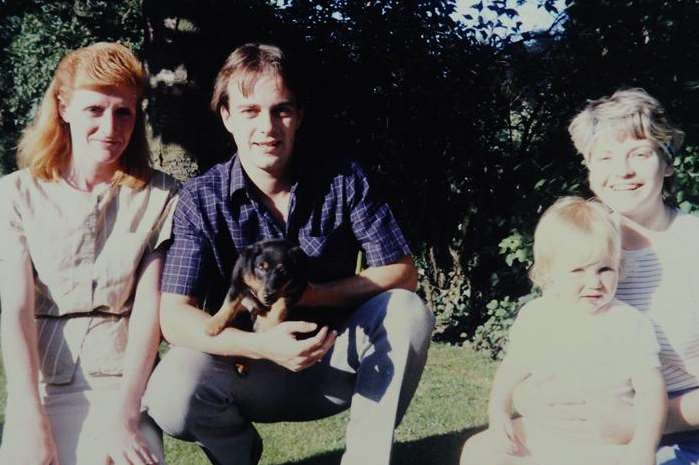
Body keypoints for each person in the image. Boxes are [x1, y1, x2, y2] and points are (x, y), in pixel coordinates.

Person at [143, 43, 435, 465]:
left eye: (281, 110)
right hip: (244, 367)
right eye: (250, 111)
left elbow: (402, 273)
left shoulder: (342, 178)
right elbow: (173, 316)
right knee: (169, 392)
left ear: (298, 116)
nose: (268, 127)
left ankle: (367, 459)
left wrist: (309, 296)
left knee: (407, 310)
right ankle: (238, 452)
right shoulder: (200, 199)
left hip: (331, 357)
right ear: (226, 117)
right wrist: (261, 345)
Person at [0, 42, 179, 465]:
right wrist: (28, 417)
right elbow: (16, 310)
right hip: (44, 385)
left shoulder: (161, 196)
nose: (110, 127)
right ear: (63, 108)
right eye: (94, 110)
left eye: (124, 112)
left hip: (123, 382)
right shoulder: (15, 194)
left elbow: (148, 315)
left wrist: (126, 415)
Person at [514, 88, 699, 464]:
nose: (623, 171)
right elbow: (536, 349)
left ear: (667, 163)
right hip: (589, 427)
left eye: (640, 154)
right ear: (590, 168)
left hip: (683, 433)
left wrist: (642, 423)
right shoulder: (581, 241)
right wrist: (527, 397)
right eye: (606, 157)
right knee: (485, 452)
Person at [460, 196, 667, 465]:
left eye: (605, 269)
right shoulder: (537, 316)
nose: (593, 282)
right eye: (578, 270)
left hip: (603, 441)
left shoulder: (629, 323)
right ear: (550, 272)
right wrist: (498, 413)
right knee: (479, 450)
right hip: (545, 429)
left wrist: (644, 445)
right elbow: (511, 371)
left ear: (619, 267)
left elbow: (652, 391)